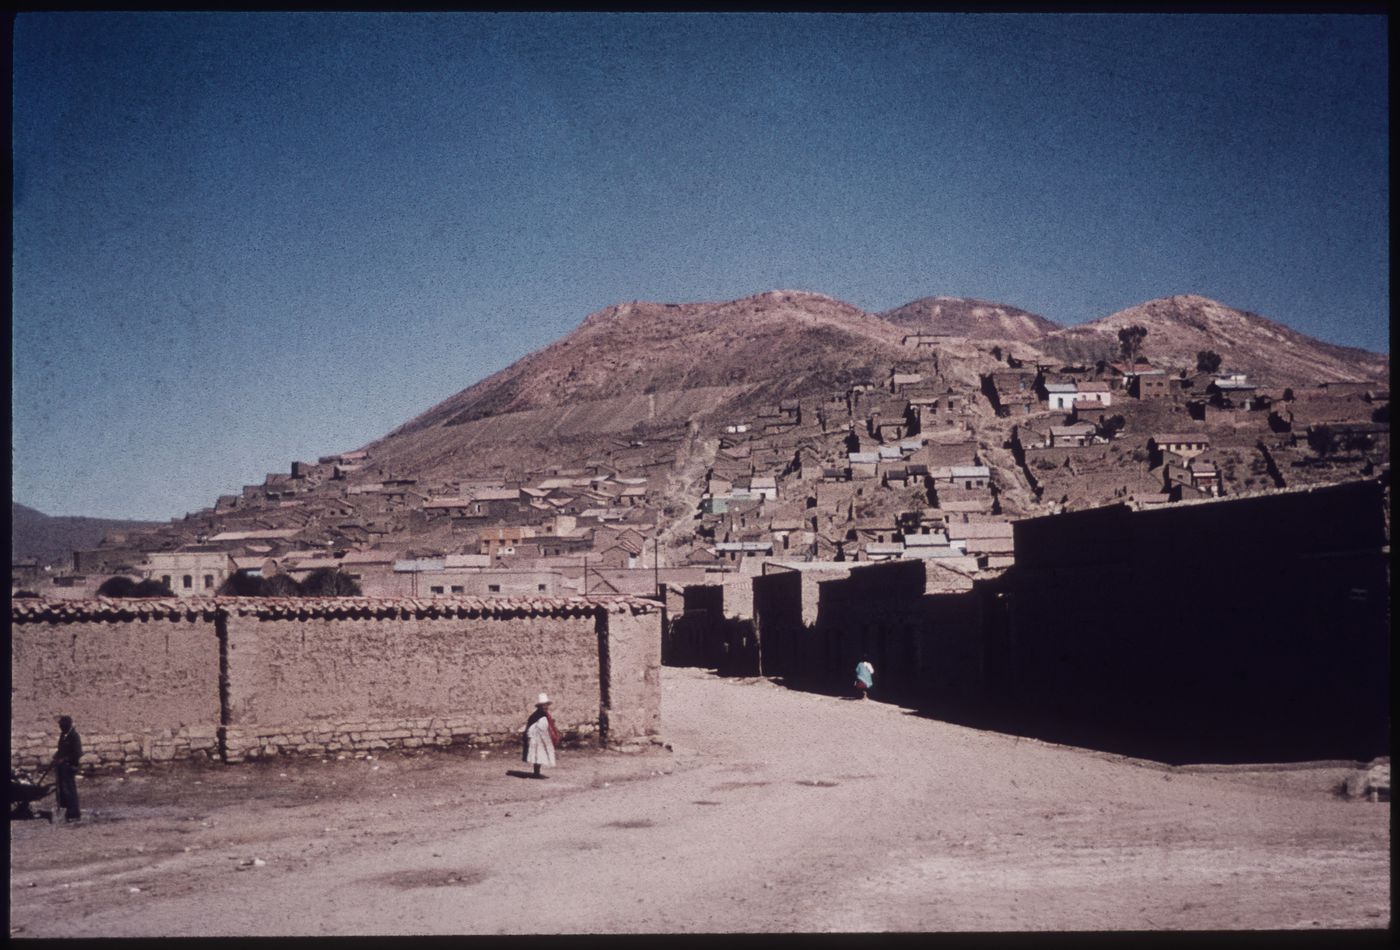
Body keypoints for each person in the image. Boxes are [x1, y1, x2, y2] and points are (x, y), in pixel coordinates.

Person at [522, 693, 560, 779]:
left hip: (544, 738)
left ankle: (537, 772)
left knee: (541, 755)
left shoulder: (546, 715)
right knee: (537, 754)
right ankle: (536, 773)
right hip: (537, 738)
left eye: (546, 705)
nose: (545, 707)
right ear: (539, 706)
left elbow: (549, 726)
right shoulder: (535, 716)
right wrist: (530, 737)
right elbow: (530, 728)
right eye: (543, 705)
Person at [52, 715, 82, 822]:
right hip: (61, 768)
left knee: (69, 790)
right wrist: (56, 756)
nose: (60, 727)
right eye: (60, 726)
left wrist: (64, 759)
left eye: (62, 725)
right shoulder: (63, 735)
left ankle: (74, 814)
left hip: (70, 767)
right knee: (62, 791)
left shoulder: (74, 736)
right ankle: (65, 813)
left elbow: (78, 753)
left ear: (68, 725)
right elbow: (61, 749)